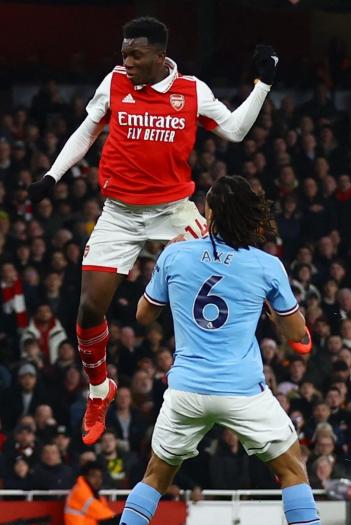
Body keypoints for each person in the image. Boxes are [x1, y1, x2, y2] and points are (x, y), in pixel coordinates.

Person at [92, 176, 351, 525]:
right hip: (242, 391)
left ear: (210, 213)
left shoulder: (175, 255)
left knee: (156, 475)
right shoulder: (267, 265)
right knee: (291, 469)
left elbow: (143, 315)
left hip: (186, 391)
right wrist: (270, 309)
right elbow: (298, 334)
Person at [27, 16, 277, 445]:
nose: (126, 62)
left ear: (160, 57)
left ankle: (280, 316)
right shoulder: (115, 82)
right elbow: (87, 131)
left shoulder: (192, 92)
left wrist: (263, 85)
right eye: (123, 53)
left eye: (135, 55)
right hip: (119, 214)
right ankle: (99, 390)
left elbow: (235, 131)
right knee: (89, 310)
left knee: (231, 265)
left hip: (173, 211)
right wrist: (52, 175)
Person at [65, 461, 116, 525]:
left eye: (100, 477)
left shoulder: (94, 493)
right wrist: (119, 519)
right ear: (86, 476)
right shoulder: (80, 491)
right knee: (121, 523)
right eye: (94, 476)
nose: (97, 480)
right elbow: (102, 513)